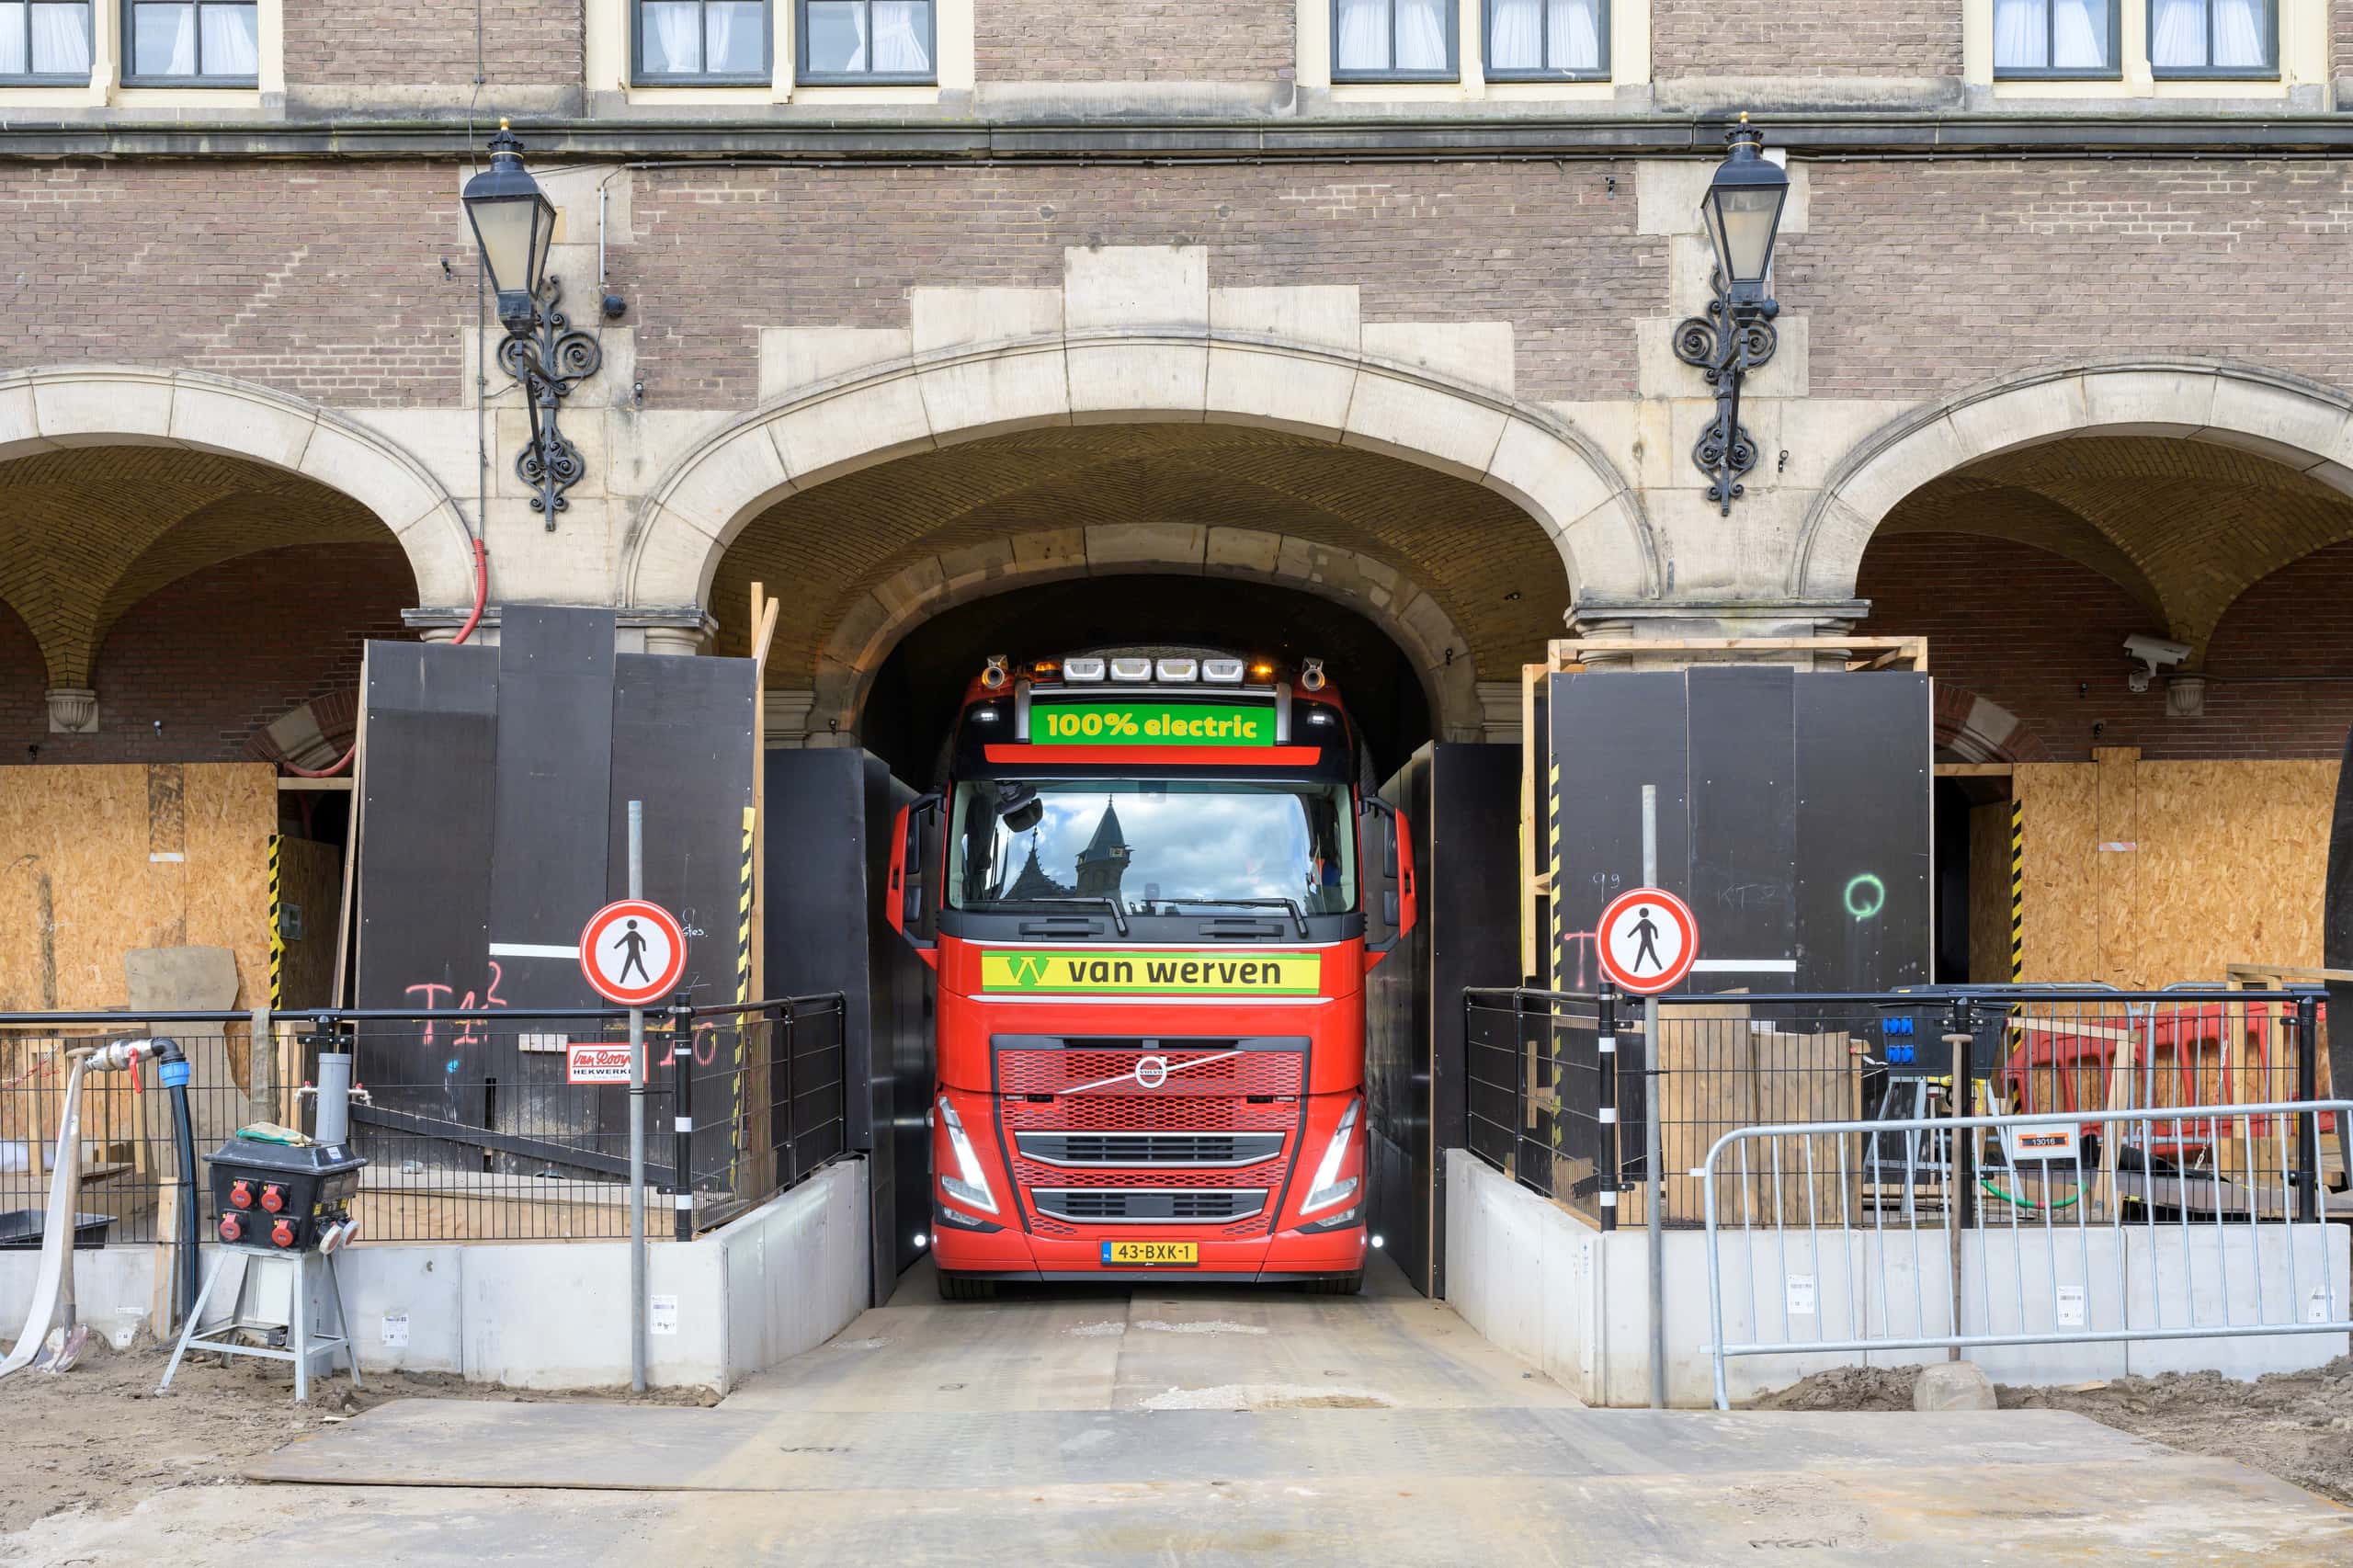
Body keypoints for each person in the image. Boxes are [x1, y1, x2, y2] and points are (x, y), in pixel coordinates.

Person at [614, 917, 652, 984]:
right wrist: (644, 949)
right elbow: (643, 941)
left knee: (628, 967)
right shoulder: (635, 934)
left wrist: (616, 947)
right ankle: (647, 980)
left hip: (633, 952)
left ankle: (621, 981)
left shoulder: (630, 934)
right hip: (635, 952)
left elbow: (622, 941)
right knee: (638, 967)